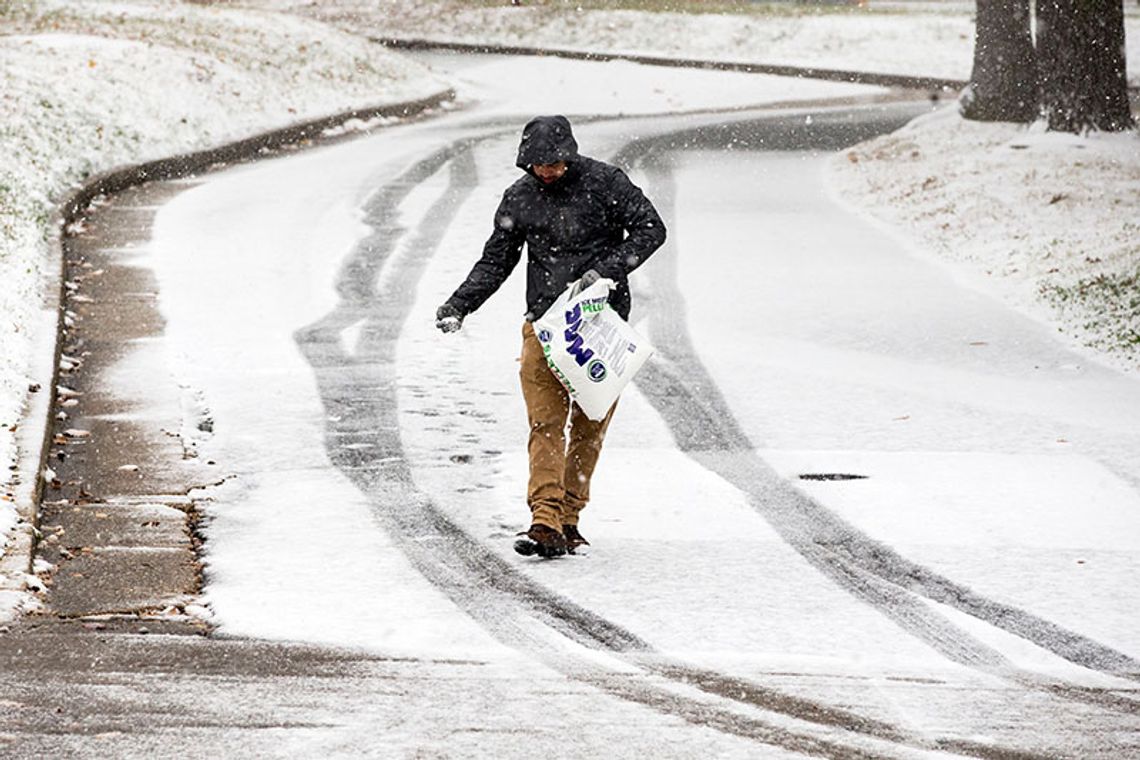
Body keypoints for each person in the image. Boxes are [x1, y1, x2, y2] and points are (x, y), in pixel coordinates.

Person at [435, 114, 666, 558]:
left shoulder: (606, 183)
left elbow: (651, 229)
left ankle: (570, 516)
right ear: (526, 162)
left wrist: (606, 270)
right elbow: (496, 261)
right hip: (543, 324)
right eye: (539, 165)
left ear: (570, 155)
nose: (548, 171)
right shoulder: (519, 198)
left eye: (556, 163)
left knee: (589, 426)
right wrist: (459, 304)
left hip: (601, 325)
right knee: (544, 424)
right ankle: (544, 519)